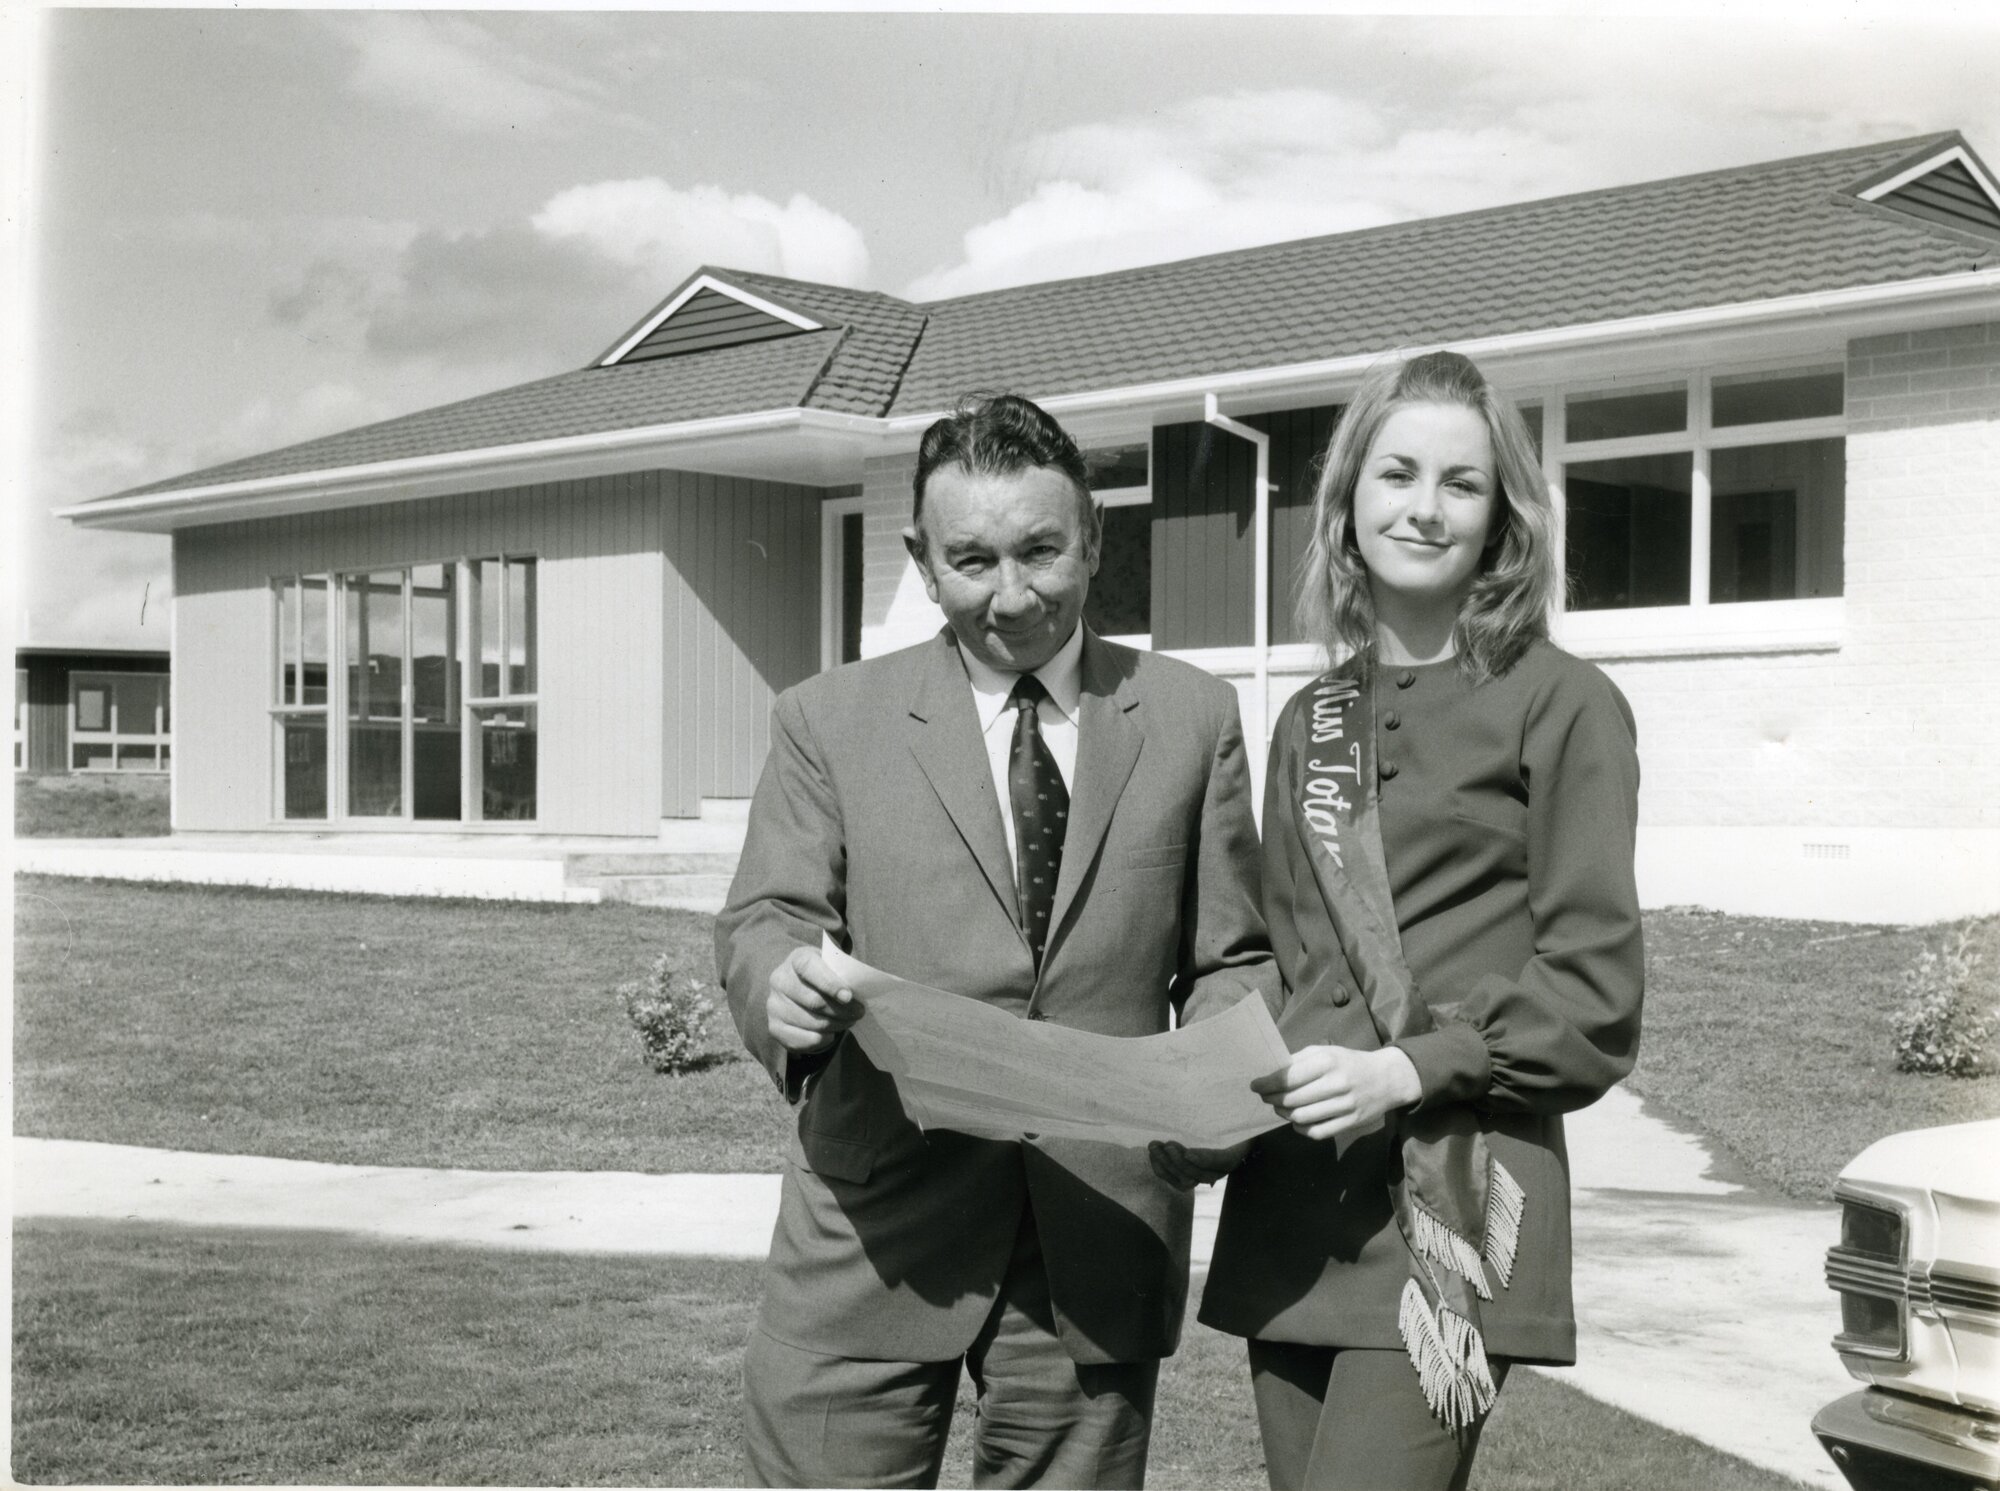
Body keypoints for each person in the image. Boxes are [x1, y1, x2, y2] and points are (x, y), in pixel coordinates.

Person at [716, 391, 1274, 1490]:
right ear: (922, 562)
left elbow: (1230, 958)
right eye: (970, 560)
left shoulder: (1193, 716)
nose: (1010, 595)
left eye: (1040, 552)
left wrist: (1217, 1089)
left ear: (1095, 540)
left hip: (1097, 1229)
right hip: (870, 1234)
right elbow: (765, 915)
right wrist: (772, 981)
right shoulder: (824, 719)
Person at [1157, 350, 1645, 1491]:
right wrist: (1190, 1085)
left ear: (1501, 521)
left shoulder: (1561, 702)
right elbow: (1273, 967)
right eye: (1396, 474)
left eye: (1459, 485)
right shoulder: (1306, 724)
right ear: (1346, 501)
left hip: (1453, 1206)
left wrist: (1402, 1071)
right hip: (1297, 1214)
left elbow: (1594, 998)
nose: (1423, 508)